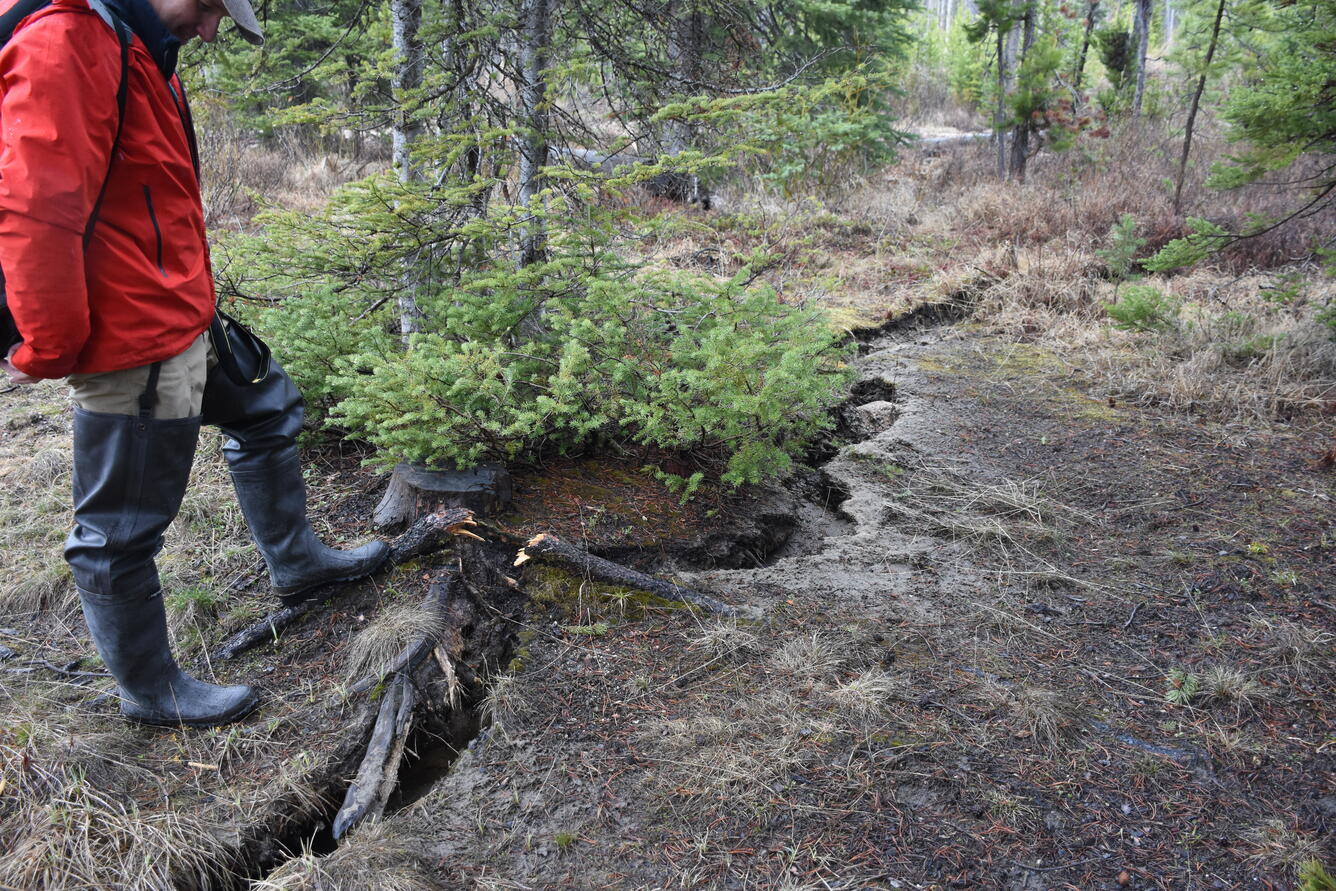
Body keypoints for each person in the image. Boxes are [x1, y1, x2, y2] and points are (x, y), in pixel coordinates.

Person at [0, 0, 388, 727]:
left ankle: (298, 563)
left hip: (180, 306)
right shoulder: (70, 40)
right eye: (210, 7)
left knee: (269, 408)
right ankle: (151, 691)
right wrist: (49, 344)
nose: (211, 30)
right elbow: (35, 209)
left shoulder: (138, 41)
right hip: (132, 335)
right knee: (120, 528)